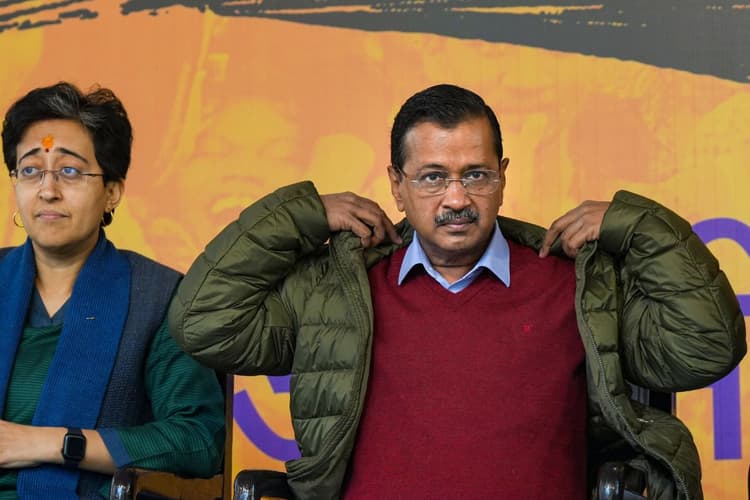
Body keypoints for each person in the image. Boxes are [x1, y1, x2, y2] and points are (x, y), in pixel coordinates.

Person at [169, 84, 745, 499]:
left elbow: (708, 348)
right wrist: (300, 215)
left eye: (476, 174)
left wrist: (641, 226)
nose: (456, 198)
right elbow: (204, 324)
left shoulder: (572, 282)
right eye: (432, 177)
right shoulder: (341, 288)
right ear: (396, 185)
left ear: (503, 176)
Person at [0, 82, 225, 499]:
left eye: (70, 171)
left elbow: (199, 439)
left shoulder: (158, 297)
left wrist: (50, 443)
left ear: (112, 193)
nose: (47, 190)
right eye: (30, 170)